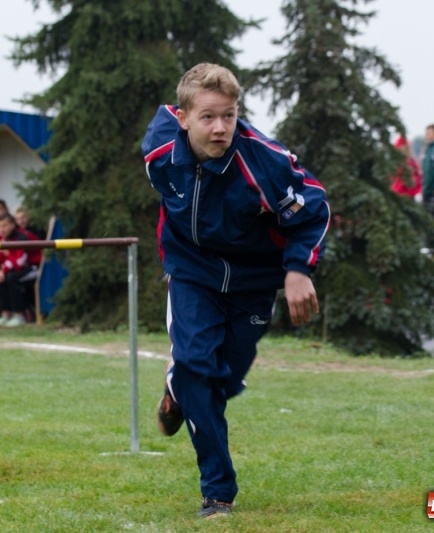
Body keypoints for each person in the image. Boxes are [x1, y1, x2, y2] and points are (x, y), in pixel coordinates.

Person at [141, 63, 330, 518]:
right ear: (183, 118)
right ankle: (218, 493)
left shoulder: (265, 161)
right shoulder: (158, 152)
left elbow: (314, 208)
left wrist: (298, 270)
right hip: (191, 271)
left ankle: (178, 390)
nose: (221, 127)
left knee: (222, 381)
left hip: (253, 282)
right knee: (196, 369)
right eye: (207, 117)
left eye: (228, 115)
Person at [0, 213, 39, 327]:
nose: (1, 230)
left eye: (4, 226)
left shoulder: (21, 238)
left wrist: (4, 268)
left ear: (12, 225)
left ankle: (19, 315)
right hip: (17, 267)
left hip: (34, 267)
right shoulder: (5, 239)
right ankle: (6, 313)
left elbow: (20, 262)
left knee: (11, 278)